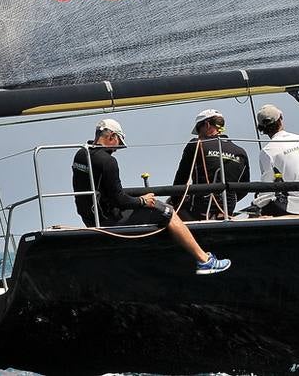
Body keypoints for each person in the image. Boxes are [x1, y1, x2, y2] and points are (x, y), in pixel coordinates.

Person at [71, 117, 230, 274]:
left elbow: (105, 192)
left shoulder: (81, 154)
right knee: (167, 211)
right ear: (111, 136)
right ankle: (204, 260)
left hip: (90, 219)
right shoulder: (108, 161)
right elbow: (120, 200)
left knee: (153, 208)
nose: (116, 149)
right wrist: (142, 200)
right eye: (117, 143)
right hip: (110, 220)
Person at [170, 109, 251, 221]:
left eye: (198, 131)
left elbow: (180, 180)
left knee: (169, 207)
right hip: (227, 211)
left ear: (207, 125)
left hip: (199, 211)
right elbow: (244, 188)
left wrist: (175, 201)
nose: (198, 135)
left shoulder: (196, 144)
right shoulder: (241, 152)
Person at [253, 104, 299, 216]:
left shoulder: (267, 151)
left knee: (260, 202)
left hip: (293, 209)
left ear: (262, 129)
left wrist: (256, 203)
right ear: (281, 118)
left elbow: (266, 189)